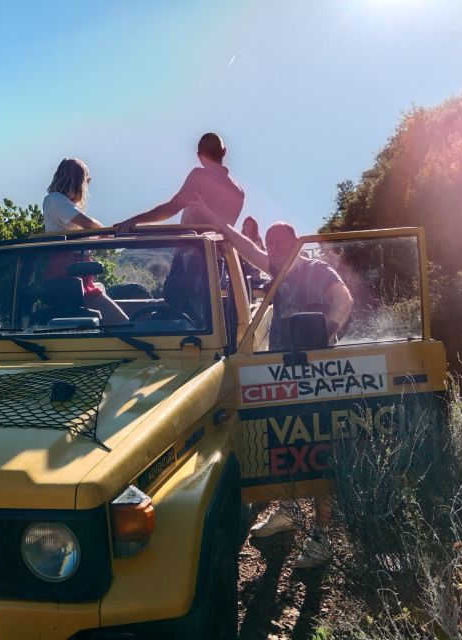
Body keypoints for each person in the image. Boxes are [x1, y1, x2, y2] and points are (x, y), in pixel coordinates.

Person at [198, 212, 354, 568]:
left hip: (314, 371)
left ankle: (321, 537)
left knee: (318, 446)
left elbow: (343, 298)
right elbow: (248, 249)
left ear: (297, 242)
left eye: (280, 242)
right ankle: (288, 510)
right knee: (286, 441)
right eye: (270, 244)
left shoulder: (316, 271)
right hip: (281, 370)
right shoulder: (278, 271)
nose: (274, 248)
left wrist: (326, 331)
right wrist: (221, 224)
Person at [41, 158, 128, 324]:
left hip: (78, 276)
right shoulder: (55, 200)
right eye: (86, 181)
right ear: (77, 180)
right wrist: (104, 232)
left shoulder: (63, 203)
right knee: (124, 324)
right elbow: (88, 223)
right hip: (69, 277)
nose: (86, 187)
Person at [115, 133, 244, 232]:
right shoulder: (239, 192)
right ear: (224, 152)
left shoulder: (200, 175)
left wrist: (134, 220)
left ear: (199, 155)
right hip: (221, 255)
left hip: (194, 252)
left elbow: (172, 208)